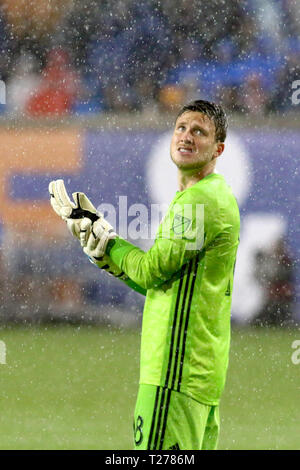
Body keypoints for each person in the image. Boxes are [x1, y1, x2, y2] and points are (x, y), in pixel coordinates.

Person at [49, 99, 240, 450]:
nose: (186, 136)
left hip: (173, 373)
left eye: (199, 131)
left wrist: (107, 239)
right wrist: (107, 258)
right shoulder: (214, 196)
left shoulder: (200, 201)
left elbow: (151, 272)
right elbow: (163, 282)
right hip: (198, 376)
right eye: (181, 128)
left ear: (219, 148)